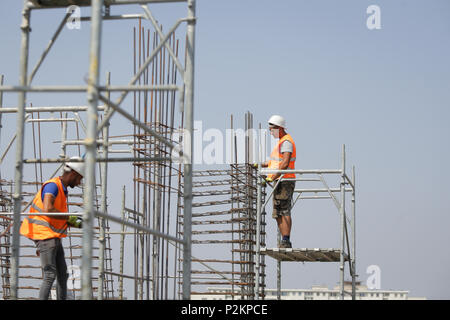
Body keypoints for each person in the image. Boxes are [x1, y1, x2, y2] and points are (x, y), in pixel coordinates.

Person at [20, 157, 84, 300]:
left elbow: (57, 217)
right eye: (79, 178)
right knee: (50, 275)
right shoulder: (52, 186)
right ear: (73, 174)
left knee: (63, 274)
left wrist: (76, 223)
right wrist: (68, 218)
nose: (79, 182)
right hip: (44, 235)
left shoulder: (62, 189)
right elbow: (48, 209)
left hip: (52, 236)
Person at [258, 115, 296, 248]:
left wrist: (271, 177)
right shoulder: (280, 142)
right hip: (280, 180)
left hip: (285, 180)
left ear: (279, 128)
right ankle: (284, 240)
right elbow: (274, 162)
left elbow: (285, 163)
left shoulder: (286, 142)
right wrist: (260, 165)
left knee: (284, 210)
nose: (270, 132)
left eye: (272, 129)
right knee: (278, 212)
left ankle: (286, 240)